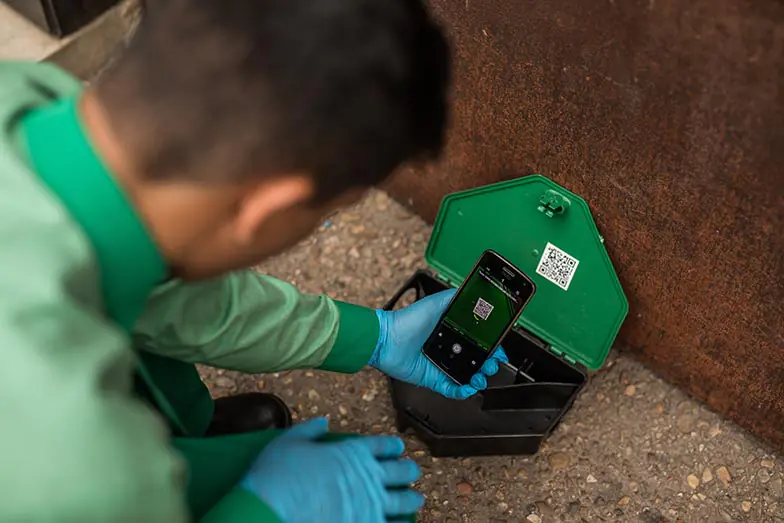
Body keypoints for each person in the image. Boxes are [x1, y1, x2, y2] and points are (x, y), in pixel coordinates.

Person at [0, 1, 510, 522]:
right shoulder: (70, 451)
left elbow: (173, 297)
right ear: (273, 208)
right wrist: (265, 512)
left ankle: (180, 427)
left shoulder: (24, 100)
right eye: (325, 213)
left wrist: (374, 336)